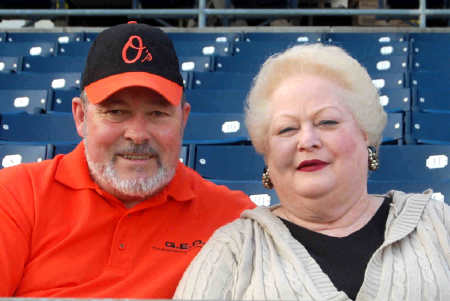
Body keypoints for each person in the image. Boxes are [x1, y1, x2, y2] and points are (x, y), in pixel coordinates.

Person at [175, 44, 450, 300]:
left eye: (327, 122)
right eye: (287, 129)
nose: (307, 141)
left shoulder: (439, 225)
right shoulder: (233, 249)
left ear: (365, 133)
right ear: (267, 153)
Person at [0, 22, 255, 298]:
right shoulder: (16, 195)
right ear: (81, 116)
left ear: (184, 119)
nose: (137, 134)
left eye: (157, 113)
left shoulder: (232, 216)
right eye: (116, 112)